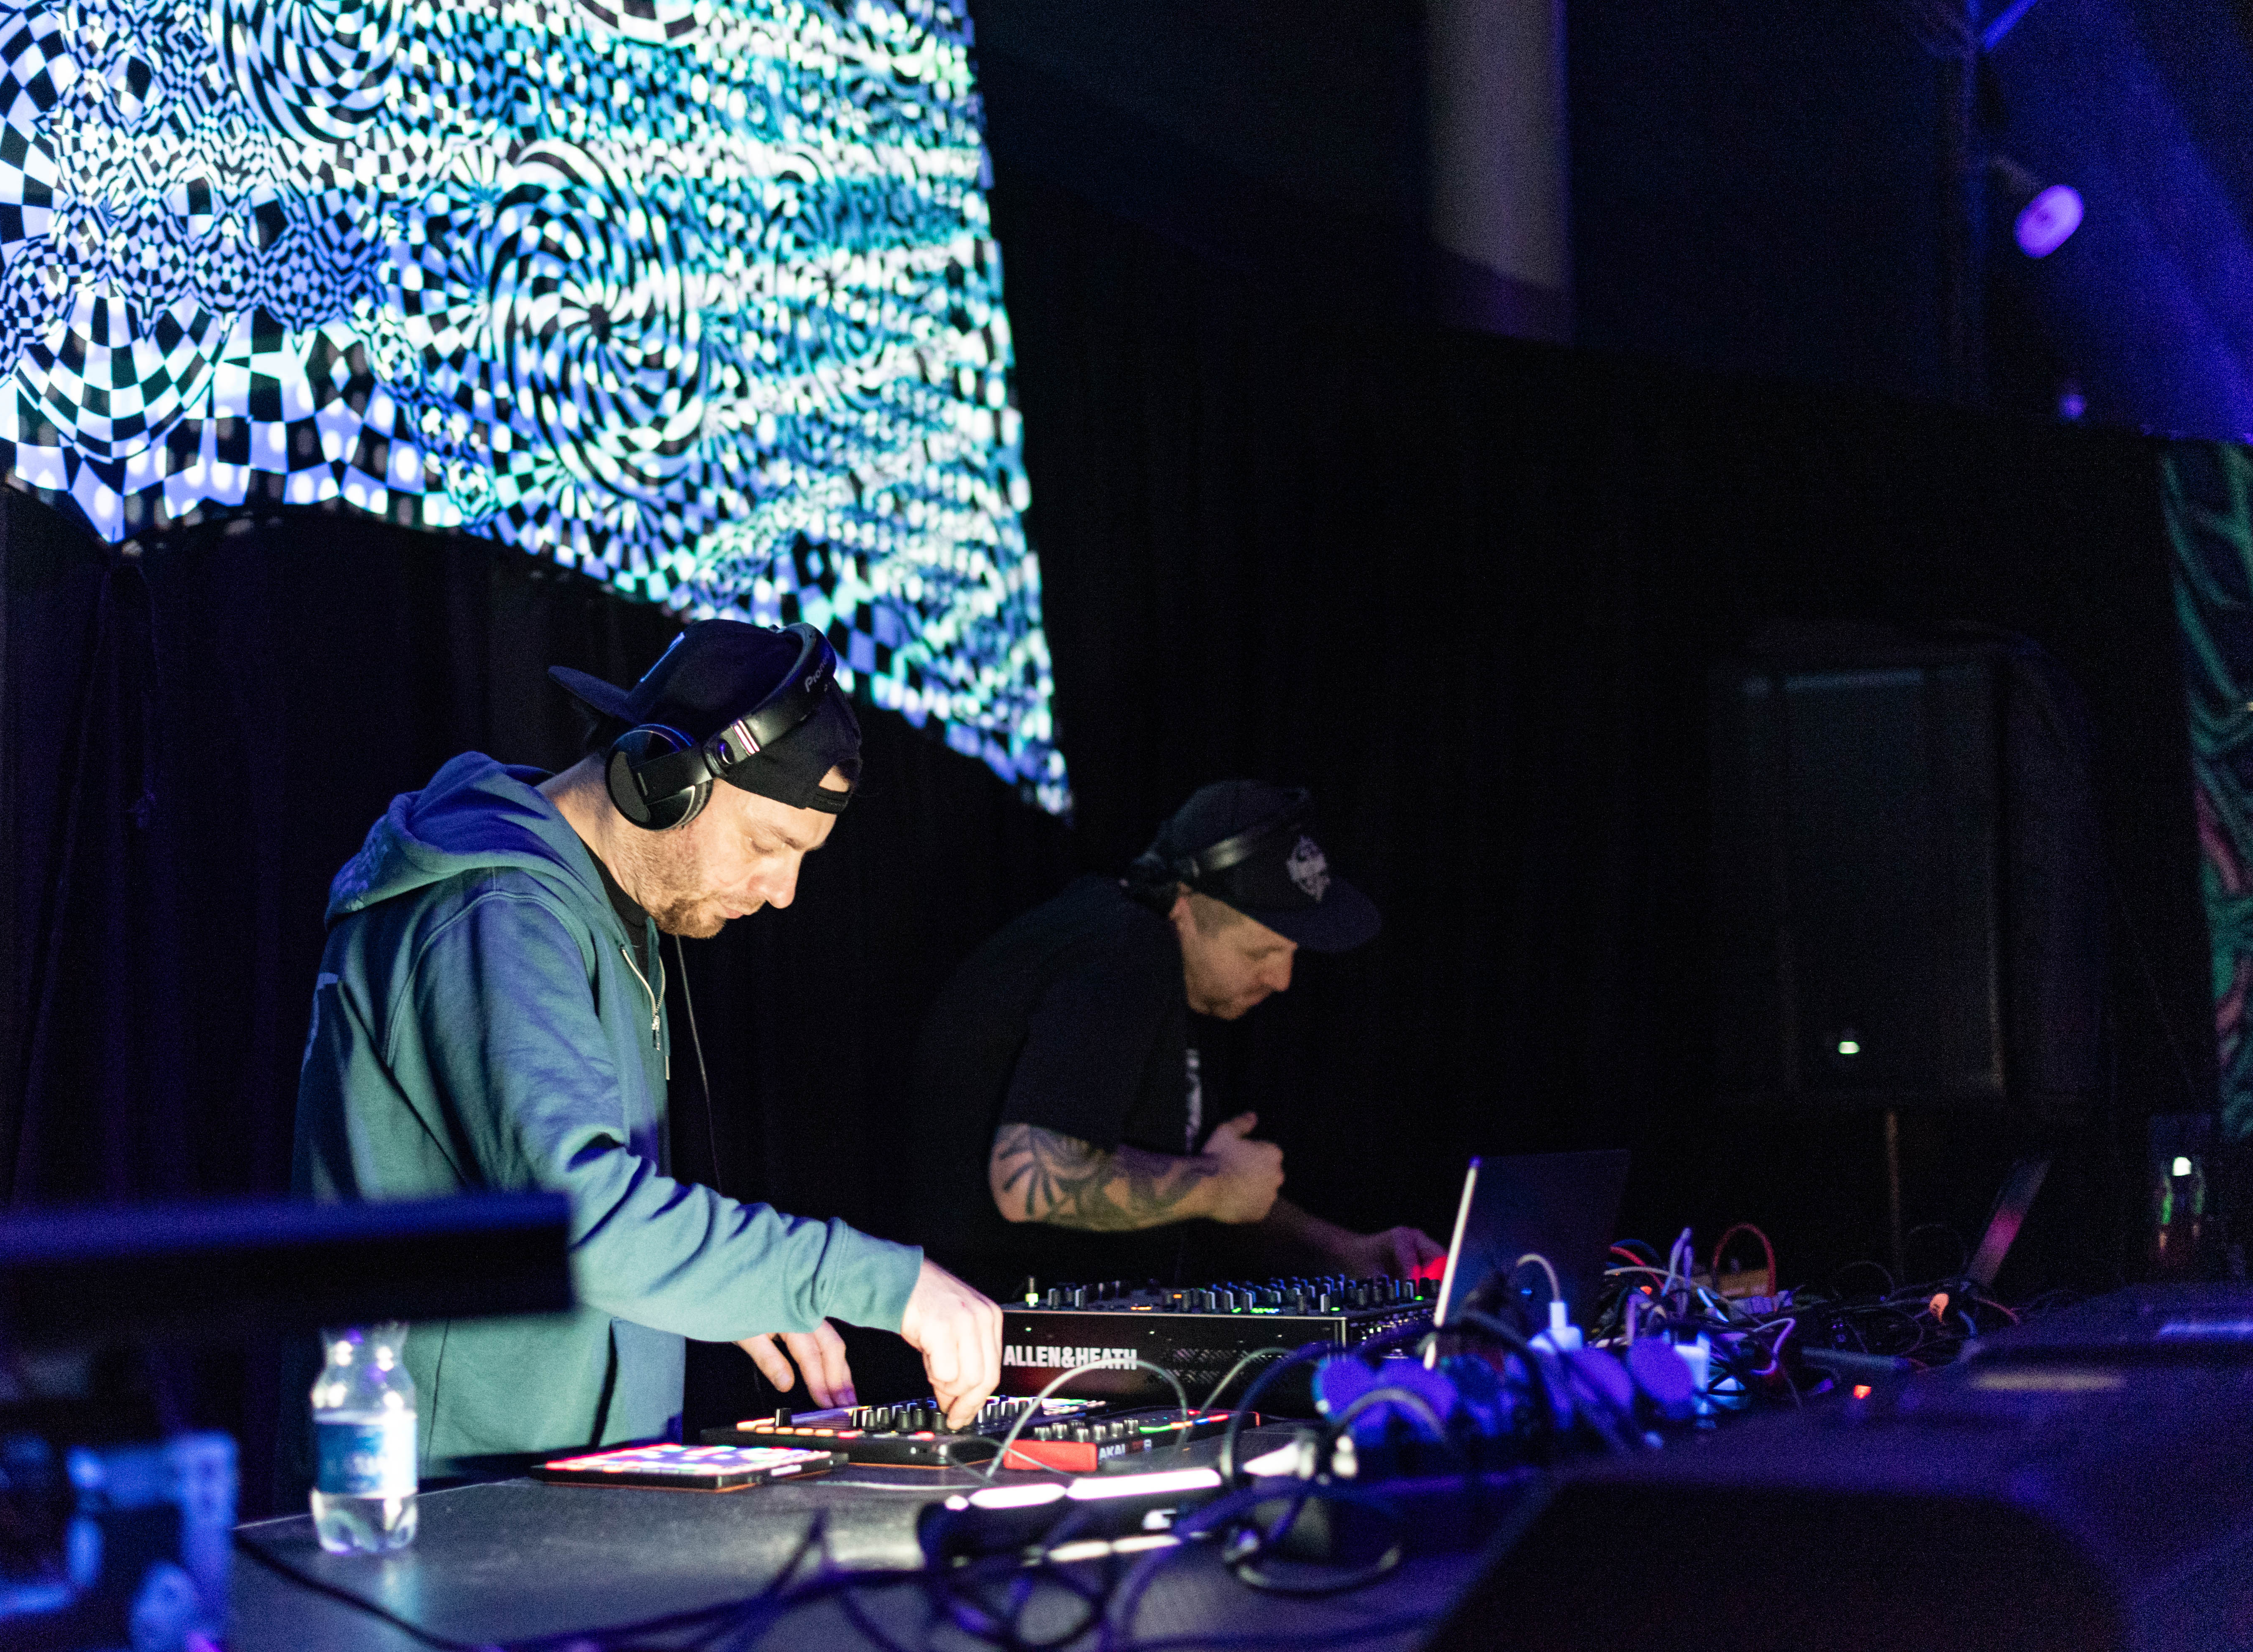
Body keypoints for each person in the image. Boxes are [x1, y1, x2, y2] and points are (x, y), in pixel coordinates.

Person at [293, 620, 1002, 1477]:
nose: (782, 892)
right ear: (663, 781)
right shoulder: (498, 913)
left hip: (545, 1497)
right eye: (768, 845)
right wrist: (874, 1280)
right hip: (443, 1509)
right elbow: (580, 1222)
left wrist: (727, 1288)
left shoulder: (589, 915)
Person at [908, 780, 1442, 1297]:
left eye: (1291, 954)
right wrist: (1217, 1182)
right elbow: (1028, 1179)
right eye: (1259, 952)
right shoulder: (1127, 947)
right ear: (1183, 903)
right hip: (994, 1333)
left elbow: (1189, 1186)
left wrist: (1344, 1250)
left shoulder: (1138, 962)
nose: (1281, 979)